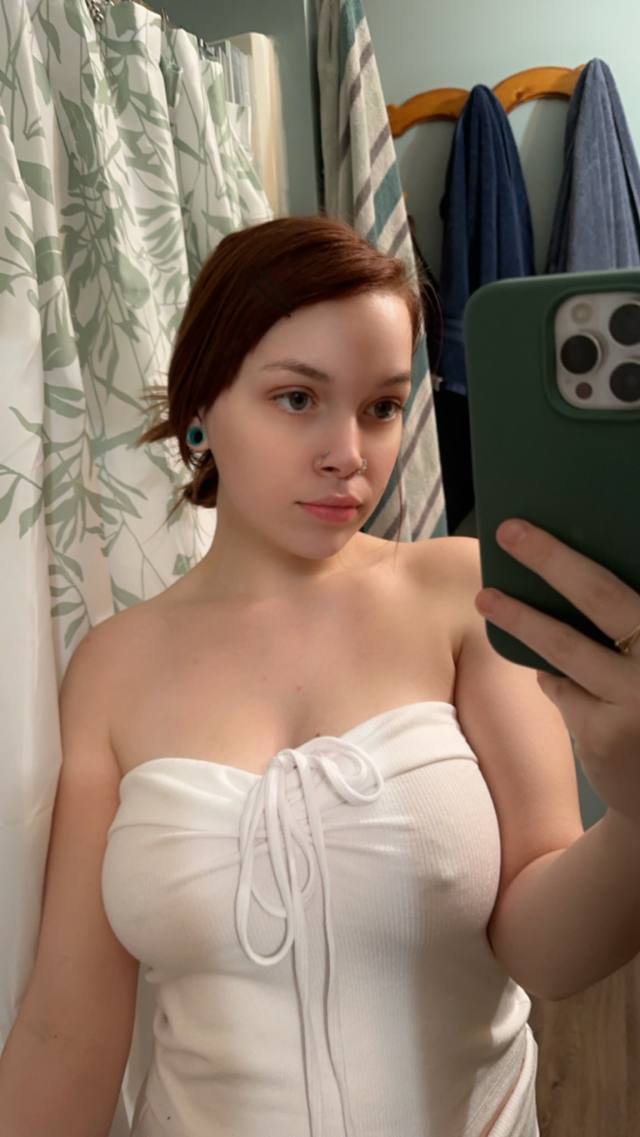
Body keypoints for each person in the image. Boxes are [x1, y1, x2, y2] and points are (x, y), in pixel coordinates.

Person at [1, 214, 639, 1137]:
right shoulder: (112, 666)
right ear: (202, 402)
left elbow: (547, 952)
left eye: (381, 406)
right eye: (298, 398)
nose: (350, 451)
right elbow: (68, 1032)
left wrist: (638, 818)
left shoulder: (462, 595)